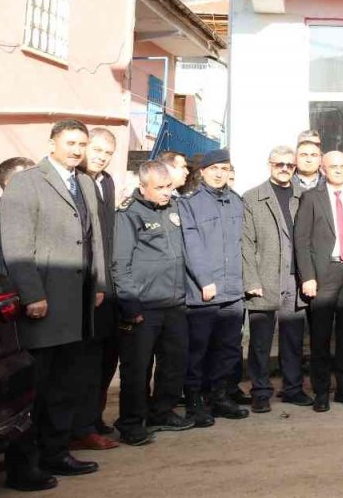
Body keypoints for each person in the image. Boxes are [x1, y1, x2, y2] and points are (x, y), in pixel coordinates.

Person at [0, 119, 108, 488]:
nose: (77, 150)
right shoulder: (27, 183)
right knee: (36, 389)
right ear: (51, 144)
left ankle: (56, 453)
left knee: (65, 385)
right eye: (70, 143)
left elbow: (94, 239)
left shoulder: (85, 184)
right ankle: (23, 466)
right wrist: (32, 294)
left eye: (82, 144)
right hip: (44, 304)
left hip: (77, 306)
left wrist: (98, 283)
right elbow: (16, 246)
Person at [113, 161, 195, 445]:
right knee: (137, 368)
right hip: (144, 306)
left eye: (168, 187)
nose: (165, 193)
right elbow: (120, 264)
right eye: (159, 188)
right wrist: (130, 305)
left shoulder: (174, 208)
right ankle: (131, 422)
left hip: (174, 303)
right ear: (142, 187)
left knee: (174, 362)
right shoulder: (129, 214)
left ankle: (161, 412)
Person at [294, 151, 343, 411]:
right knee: (320, 337)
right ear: (323, 169)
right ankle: (320, 391)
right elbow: (301, 240)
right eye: (333, 166)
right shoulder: (311, 197)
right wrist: (308, 277)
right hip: (323, 273)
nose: (339, 170)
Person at [178, 149, 249, 424]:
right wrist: (205, 280)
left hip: (233, 290)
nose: (220, 174)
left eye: (225, 169)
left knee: (228, 348)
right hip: (204, 292)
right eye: (214, 169)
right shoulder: (189, 203)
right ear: (203, 172)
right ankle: (194, 402)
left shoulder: (236, 202)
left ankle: (219, 397)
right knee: (198, 350)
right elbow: (191, 245)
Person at [241, 145, 310, 411]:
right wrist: (251, 280)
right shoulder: (252, 197)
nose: (284, 169)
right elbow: (246, 243)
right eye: (279, 164)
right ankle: (260, 391)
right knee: (260, 341)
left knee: (293, 339)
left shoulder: (304, 196)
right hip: (264, 277)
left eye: (289, 165)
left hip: (295, 278)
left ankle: (292, 388)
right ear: (270, 164)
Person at [70, 128, 119, 451]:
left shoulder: (107, 182)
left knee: (107, 356)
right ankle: (81, 427)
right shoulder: (74, 183)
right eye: (96, 150)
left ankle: (94, 417)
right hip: (85, 283)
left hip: (109, 282)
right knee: (85, 361)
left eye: (107, 152)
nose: (101, 157)